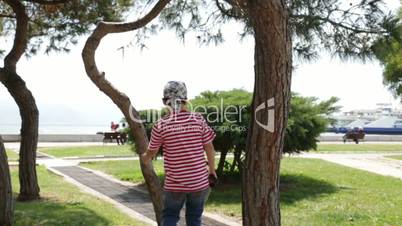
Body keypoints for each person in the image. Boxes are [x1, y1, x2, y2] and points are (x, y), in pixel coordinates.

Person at [141, 81, 217, 226]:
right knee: (194, 218)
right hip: (199, 181)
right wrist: (212, 170)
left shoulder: (161, 125)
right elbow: (209, 147)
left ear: (165, 102)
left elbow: (152, 151)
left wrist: (144, 158)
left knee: (170, 216)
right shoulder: (197, 119)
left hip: (175, 184)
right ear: (185, 100)